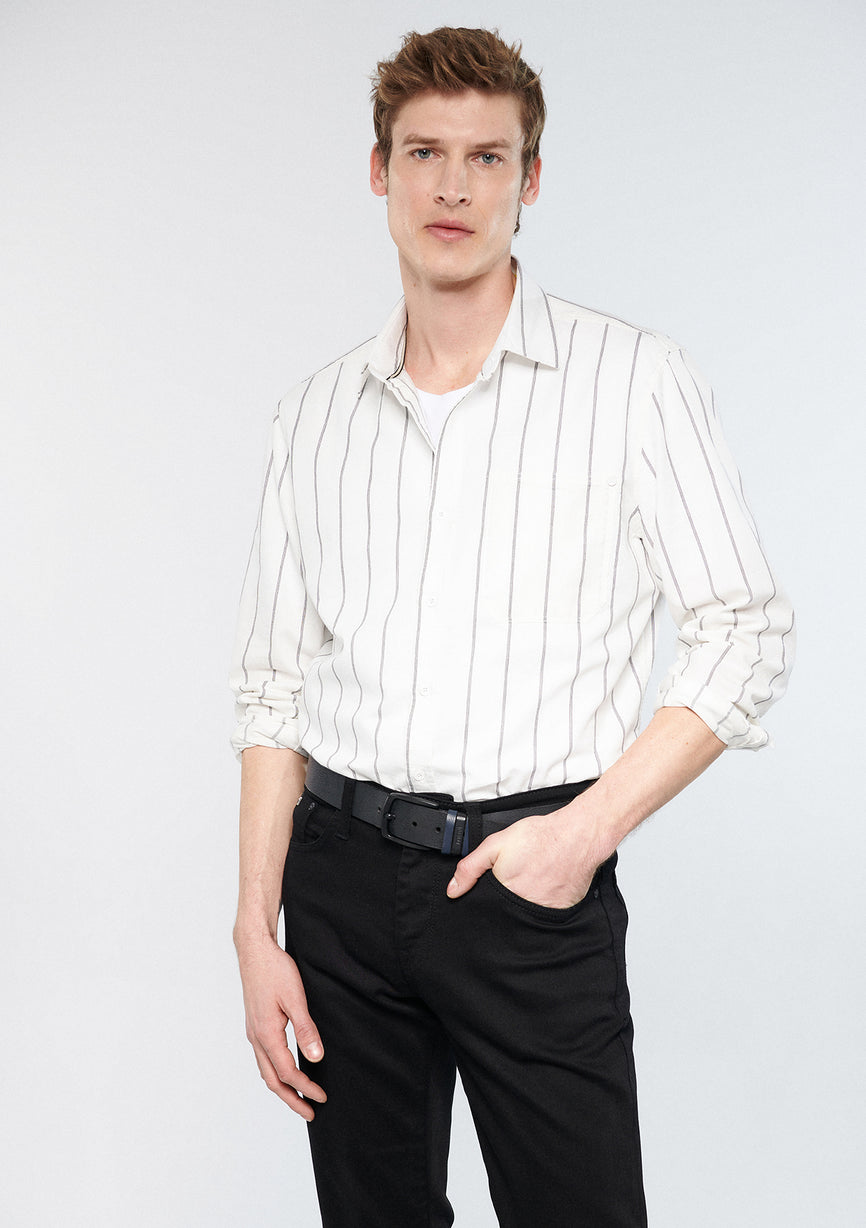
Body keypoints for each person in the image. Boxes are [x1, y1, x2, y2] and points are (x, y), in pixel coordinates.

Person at [229, 26, 794, 1228]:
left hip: (527, 883)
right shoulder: (312, 416)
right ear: (377, 169)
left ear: (529, 179)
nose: (451, 186)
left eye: (485, 157)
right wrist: (252, 926)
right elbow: (273, 687)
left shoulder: (631, 381)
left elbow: (743, 629)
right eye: (422, 152)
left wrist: (583, 833)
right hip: (338, 886)